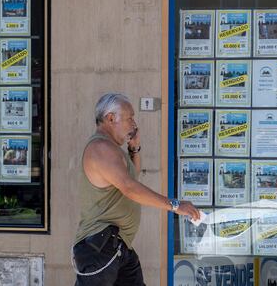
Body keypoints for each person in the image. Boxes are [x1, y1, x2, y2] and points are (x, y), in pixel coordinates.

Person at [72, 93, 200, 286]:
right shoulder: (100, 148)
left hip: (119, 246)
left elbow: (132, 178)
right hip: (100, 247)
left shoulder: (113, 150)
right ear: (110, 118)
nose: (134, 124)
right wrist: (175, 205)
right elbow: (130, 188)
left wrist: (134, 149)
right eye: (129, 117)